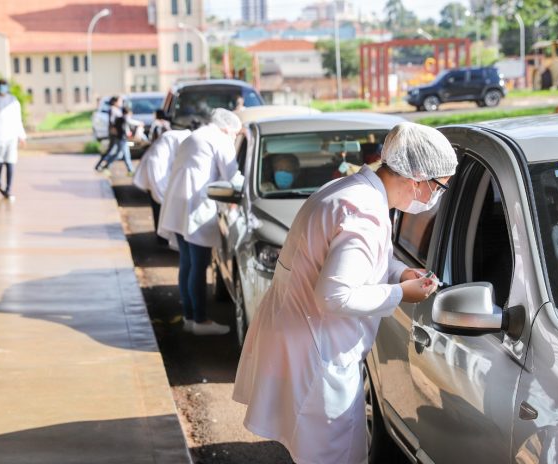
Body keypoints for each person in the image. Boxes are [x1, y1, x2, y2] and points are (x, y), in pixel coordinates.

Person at [233, 122, 458, 464]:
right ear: (416, 177)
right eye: (439, 186)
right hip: (319, 356)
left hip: (304, 342)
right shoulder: (363, 212)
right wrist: (400, 293)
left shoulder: (348, 191)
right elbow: (335, 295)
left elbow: (351, 261)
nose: (436, 196)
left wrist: (398, 270)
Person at [158, 108, 243, 336]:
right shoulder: (220, 139)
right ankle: (200, 320)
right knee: (198, 263)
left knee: (187, 262)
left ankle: (189, 317)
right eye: (235, 134)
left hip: (178, 204)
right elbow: (233, 178)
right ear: (227, 128)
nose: (234, 138)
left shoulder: (195, 136)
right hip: (196, 205)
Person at [133, 119, 201, 243]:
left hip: (157, 167)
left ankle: (163, 237)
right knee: (164, 202)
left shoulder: (180, 135)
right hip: (158, 169)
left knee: (158, 203)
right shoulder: (186, 138)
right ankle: (164, 237)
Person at [101, 106, 135, 174]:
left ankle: (107, 165)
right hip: (122, 139)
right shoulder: (124, 119)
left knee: (120, 154)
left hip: (120, 139)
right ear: (128, 113)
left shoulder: (119, 119)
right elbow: (126, 127)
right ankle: (130, 170)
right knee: (124, 155)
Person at [95, 95, 122, 171]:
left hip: (117, 134)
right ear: (115, 102)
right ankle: (103, 164)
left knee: (116, 150)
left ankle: (104, 165)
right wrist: (114, 130)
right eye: (119, 101)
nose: (121, 103)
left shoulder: (116, 109)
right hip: (115, 134)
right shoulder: (113, 110)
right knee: (113, 150)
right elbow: (112, 121)